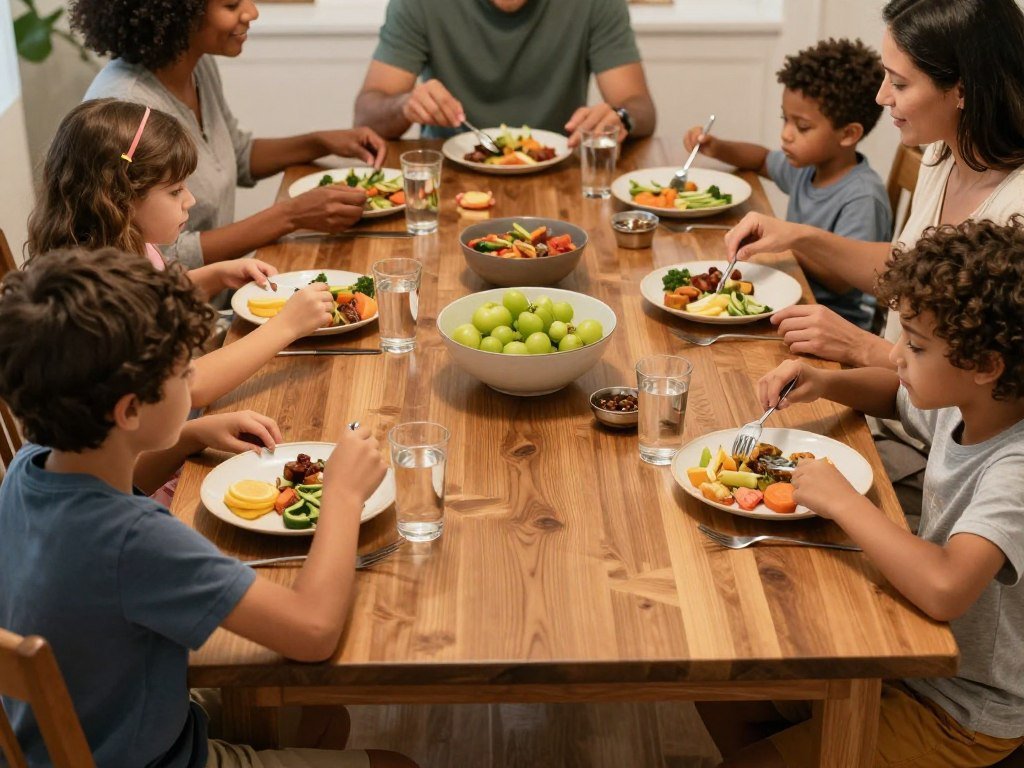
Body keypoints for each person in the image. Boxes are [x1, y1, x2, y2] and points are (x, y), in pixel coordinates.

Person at [0, 248, 417, 768]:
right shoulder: (135, 540)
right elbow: (313, 631)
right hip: (159, 757)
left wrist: (184, 438)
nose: (193, 385)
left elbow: (113, 481)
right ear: (129, 410)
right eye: (184, 376)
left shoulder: (31, 465)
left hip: (81, 731)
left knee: (324, 714)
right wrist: (342, 496)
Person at [700, 218, 1024, 768]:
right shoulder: (974, 400)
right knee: (721, 682)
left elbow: (946, 587)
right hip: (909, 651)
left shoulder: (1015, 467)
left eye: (916, 347)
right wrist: (825, 382)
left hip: (960, 707)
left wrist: (843, 501)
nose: (895, 356)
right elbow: (895, 396)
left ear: (984, 365)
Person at [719, 0, 1024, 518]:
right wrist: (796, 236)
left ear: (964, 89)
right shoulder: (945, 150)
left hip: (936, 451)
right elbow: (906, 268)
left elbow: (989, 382)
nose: (882, 97)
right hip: (889, 401)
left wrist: (861, 347)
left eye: (900, 84)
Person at [27, 98, 336, 410]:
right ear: (119, 197)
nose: (190, 199)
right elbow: (188, 387)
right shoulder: (99, 295)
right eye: (175, 191)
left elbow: (157, 299)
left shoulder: (130, 248)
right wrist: (286, 327)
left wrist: (213, 277)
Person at [70, 0, 389, 267]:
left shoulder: (195, 66)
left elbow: (233, 155)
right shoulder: (128, 107)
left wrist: (319, 143)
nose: (252, 12)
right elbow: (162, 257)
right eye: (232, 4)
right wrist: (289, 217)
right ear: (181, 13)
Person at [684, 38, 891, 330]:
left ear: (848, 134)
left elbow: (841, 282)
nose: (786, 135)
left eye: (802, 127)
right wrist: (717, 147)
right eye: (785, 120)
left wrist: (787, 240)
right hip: (793, 299)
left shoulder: (862, 197)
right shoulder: (807, 168)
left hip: (834, 323)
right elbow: (760, 160)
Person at [352, 0, 656, 147]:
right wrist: (404, 105)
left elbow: (640, 107)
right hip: (449, 177)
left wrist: (621, 116)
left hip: (562, 175)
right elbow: (367, 116)